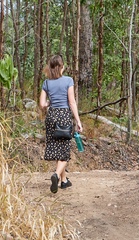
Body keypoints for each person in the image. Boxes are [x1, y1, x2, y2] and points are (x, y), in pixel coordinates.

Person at [39, 54, 83, 194]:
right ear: (62, 67)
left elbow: (42, 104)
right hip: (64, 116)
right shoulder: (68, 81)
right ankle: (57, 175)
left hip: (51, 116)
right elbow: (72, 102)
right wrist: (78, 120)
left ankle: (64, 181)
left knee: (56, 148)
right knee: (64, 151)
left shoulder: (46, 83)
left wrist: (49, 103)